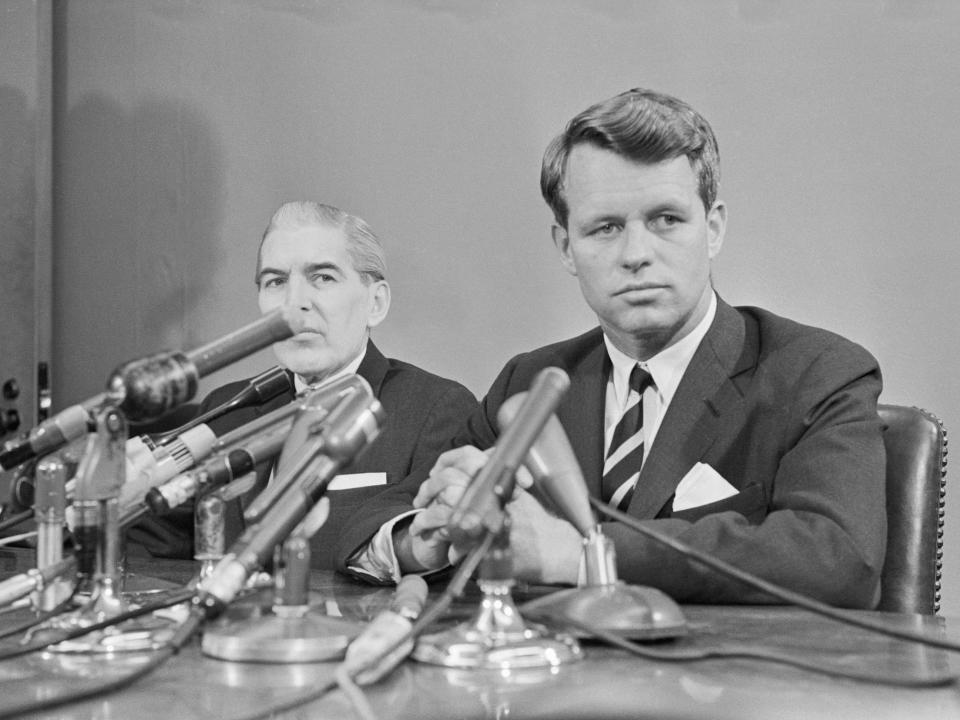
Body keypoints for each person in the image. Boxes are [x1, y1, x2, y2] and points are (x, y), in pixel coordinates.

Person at [334, 88, 887, 608]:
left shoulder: (816, 373)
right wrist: (426, 539)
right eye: (604, 228)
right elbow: (383, 514)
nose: (636, 254)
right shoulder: (531, 382)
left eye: (666, 220)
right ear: (566, 247)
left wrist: (575, 556)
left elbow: (838, 556)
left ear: (713, 228)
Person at [129, 201, 477, 569]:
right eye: (276, 282)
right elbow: (147, 540)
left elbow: (432, 549)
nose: (294, 305)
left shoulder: (436, 410)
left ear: (376, 303)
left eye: (323, 277)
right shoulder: (230, 409)